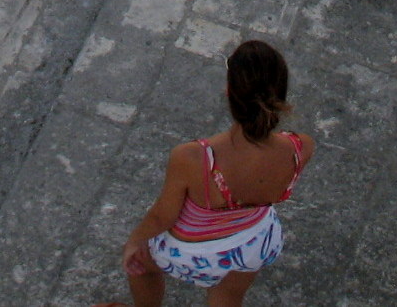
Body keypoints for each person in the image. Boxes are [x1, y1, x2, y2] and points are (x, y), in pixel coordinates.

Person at [99, 40, 315, 307]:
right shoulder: (301, 147)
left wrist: (135, 241)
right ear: (280, 96)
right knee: (228, 295)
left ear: (229, 91)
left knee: (141, 265)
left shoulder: (194, 157)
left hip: (192, 252)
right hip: (255, 241)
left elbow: (163, 216)